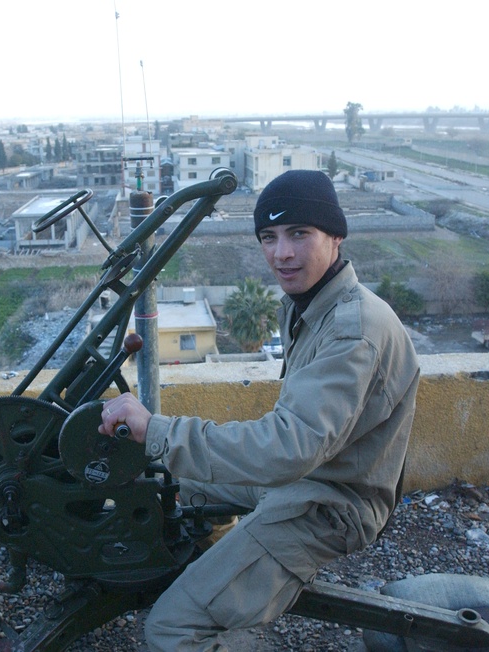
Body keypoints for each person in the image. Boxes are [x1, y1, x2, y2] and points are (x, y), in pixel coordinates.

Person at [99, 169, 420, 651]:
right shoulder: (309, 303)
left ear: (335, 235)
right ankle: (224, 570)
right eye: (269, 237)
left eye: (299, 233)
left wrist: (160, 432)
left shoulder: (352, 330)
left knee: (171, 630)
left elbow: (289, 447)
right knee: (166, 481)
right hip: (306, 477)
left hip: (331, 505)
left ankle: (212, 606)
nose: (281, 253)